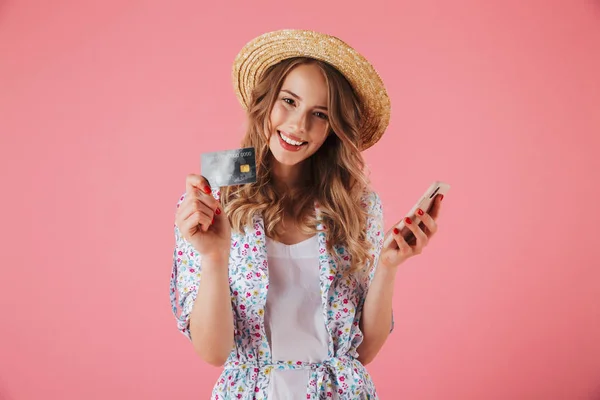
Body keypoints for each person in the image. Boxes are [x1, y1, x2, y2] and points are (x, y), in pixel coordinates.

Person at [170, 29, 444, 400]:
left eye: (320, 114)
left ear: (334, 128)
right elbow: (214, 352)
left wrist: (388, 267)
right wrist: (214, 256)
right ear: (265, 100)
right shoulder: (211, 203)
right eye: (289, 101)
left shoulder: (357, 205)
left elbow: (361, 353)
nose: (299, 126)